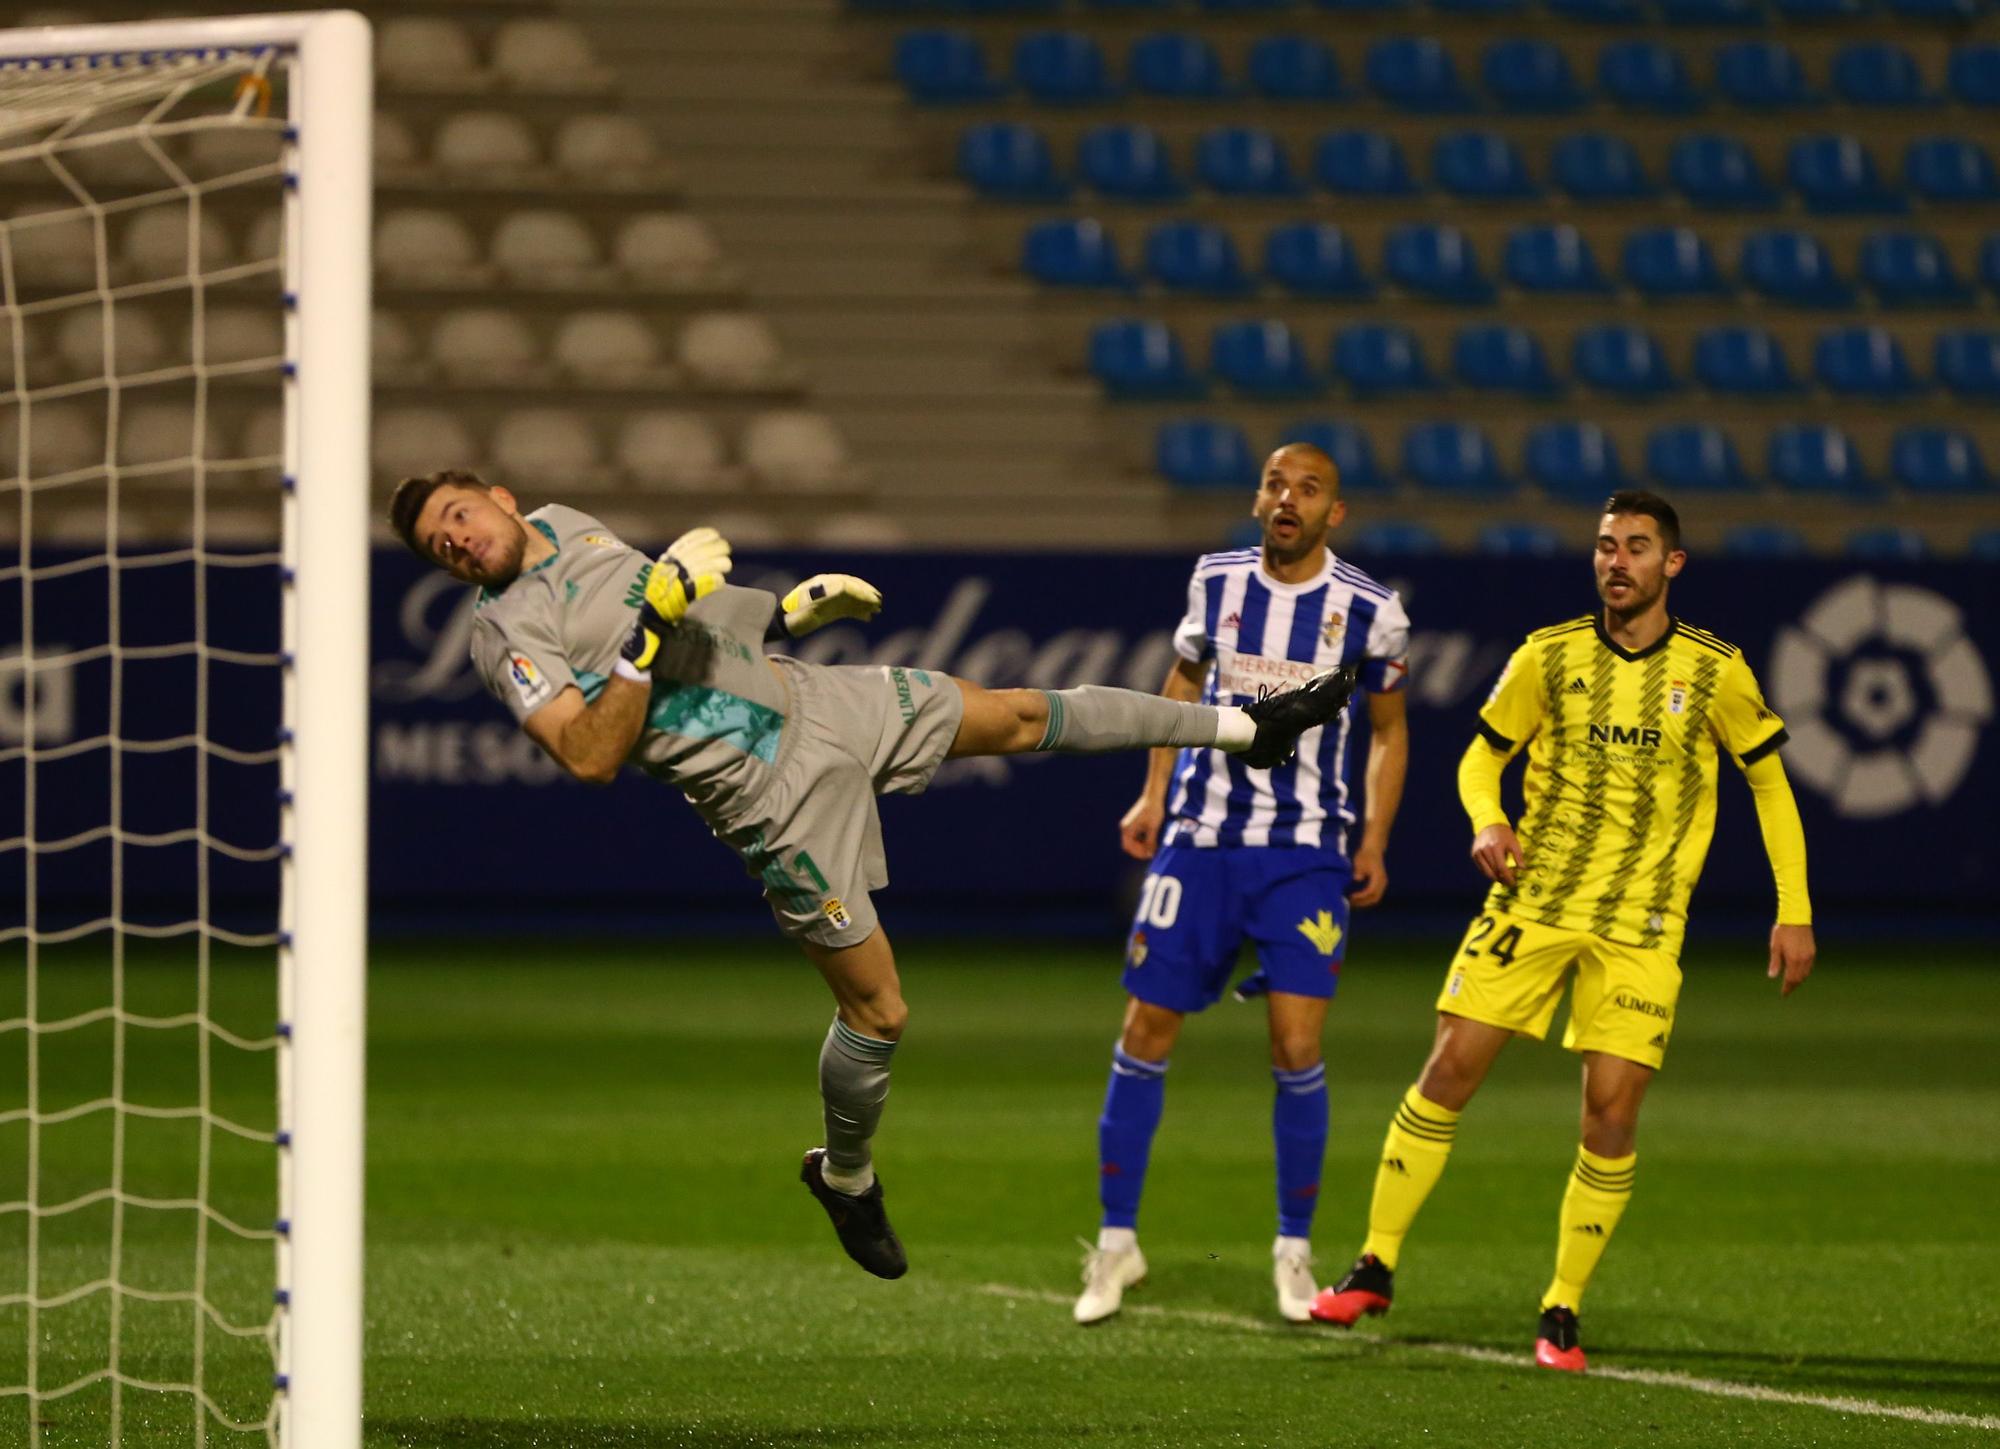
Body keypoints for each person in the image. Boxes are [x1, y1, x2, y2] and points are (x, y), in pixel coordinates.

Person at [387, 468, 1360, 1281]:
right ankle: (845, 1176)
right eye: (441, 547)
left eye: (458, 517)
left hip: (815, 697)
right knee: (880, 1013)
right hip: (767, 792)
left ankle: (1248, 729)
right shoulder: (501, 634)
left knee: (1020, 713)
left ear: (500, 497)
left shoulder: (566, 525)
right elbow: (590, 753)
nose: (459, 544)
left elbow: (699, 633)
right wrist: (645, 629)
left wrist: (787, 612)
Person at [1309, 489, 1815, 1371]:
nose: (1617, 561)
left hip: (1641, 925)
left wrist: (1794, 906)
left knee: (1610, 1111)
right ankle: (1375, 1262)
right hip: (1533, 901)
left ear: (1672, 565)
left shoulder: (1714, 670)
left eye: (1637, 548)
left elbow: (1769, 783)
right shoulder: (1549, 654)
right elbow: (1482, 753)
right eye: (1606, 546)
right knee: (1449, 1067)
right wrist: (1486, 817)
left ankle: (1561, 1308)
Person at [1073, 442, 1410, 1326]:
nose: (1288, 499)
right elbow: (1180, 687)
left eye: (1309, 488)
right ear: (1258, 499)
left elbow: (1387, 731)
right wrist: (1150, 795)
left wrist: (1373, 837)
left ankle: (1294, 1251)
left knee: (1296, 1045)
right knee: (1145, 1028)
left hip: (1305, 853)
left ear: (1336, 513)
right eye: (1275, 484)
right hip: (1201, 839)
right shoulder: (1216, 583)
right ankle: (1116, 1244)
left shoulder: (1371, 610)